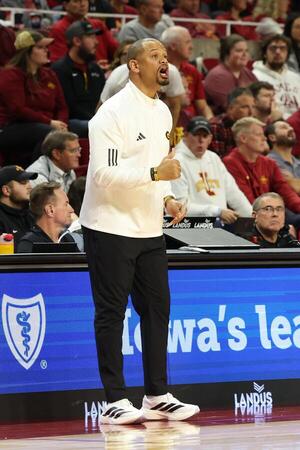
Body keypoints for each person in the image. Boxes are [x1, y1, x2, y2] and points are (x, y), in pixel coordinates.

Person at [80, 38, 199, 424]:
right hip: (109, 225)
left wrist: (167, 198)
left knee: (157, 310)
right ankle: (115, 400)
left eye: (166, 57)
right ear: (134, 65)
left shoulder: (164, 112)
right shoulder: (110, 115)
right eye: (155, 57)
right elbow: (102, 174)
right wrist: (154, 175)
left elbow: (158, 167)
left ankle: (156, 394)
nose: (165, 63)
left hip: (148, 229)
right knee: (111, 313)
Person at [0, 30, 68, 167]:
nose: (46, 51)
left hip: (47, 125)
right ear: (26, 51)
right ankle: (35, 178)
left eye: (46, 47)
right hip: (12, 127)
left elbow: (62, 106)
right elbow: (18, 109)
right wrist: (50, 122)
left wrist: (62, 123)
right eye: (40, 47)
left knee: (84, 128)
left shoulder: (49, 74)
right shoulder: (10, 75)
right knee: (49, 134)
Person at [171, 116, 252, 222]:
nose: (201, 140)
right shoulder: (176, 161)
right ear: (185, 135)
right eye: (196, 135)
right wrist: (216, 212)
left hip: (218, 227)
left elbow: (233, 192)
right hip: (189, 229)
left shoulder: (213, 158)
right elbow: (179, 207)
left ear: (210, 138)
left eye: (205, 136)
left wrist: (251, 215)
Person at [223, 117, 300, 223]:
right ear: (243, 138)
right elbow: (246, 201)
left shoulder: (268, 163)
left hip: (272, 212)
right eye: (259, 134)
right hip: (248, 220)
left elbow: (285, 191)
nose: (264, 138)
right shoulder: (230, 163)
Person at [52, 20, 106, 138]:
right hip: (72, 122)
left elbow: (104, 99)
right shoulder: (59, 70)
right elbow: (67, 106)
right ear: (77, 41)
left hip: (96, 120)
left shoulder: (95, 68)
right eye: (91, 37)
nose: (96, 42)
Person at [160, 26, 213, 129]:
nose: (191, 46)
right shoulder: (156, 70)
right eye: (187, 42)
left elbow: (202, 106)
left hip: (192, 127)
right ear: (173, 46)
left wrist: (210, 120)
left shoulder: (192, 71)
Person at [49, 0, 118, 68]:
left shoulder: (98, 24)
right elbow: (59, 63)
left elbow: (116, 50)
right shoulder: (58, 29)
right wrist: (93, 67)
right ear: (65, 5)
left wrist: (112, 66)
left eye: (85, 0)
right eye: (77, 1)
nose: (83, 4)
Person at [17, 181, 77, 252]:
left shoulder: (67, 239)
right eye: (66, 204)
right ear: (50, 210)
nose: (72, 210)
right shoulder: (29, 244)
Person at [204, 34, 257, 115]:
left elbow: (259, 96)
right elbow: (231, 108)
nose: (244, 54)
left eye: (246, 51)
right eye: (239, 51)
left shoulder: (247, 73)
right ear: (226, 54)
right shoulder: (218, 76)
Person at [252, 34, 300, 120]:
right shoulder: (255, 76)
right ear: (264, 53)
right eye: (273, 48)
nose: (278, 52)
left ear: (287, 54)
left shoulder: (296, 77)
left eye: (282, 48)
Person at [210, 87, 254, 158]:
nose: (251, 113)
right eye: (245, 107)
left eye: (253, 107)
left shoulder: (251, 127)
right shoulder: (216, 127)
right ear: (231, 108)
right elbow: (218, 161)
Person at [0, 165, 38, 245]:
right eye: (23, 182)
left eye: (28, 182)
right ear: (6, 190)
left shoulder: (31, 215)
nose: (30, 187)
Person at [266, 120, 300, 194]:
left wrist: (293, 180)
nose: (291, 129)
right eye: (284, 127)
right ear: (272, 137)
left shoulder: (298, 162)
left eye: (290, 127)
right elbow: (296, 188)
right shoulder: (269, 162)